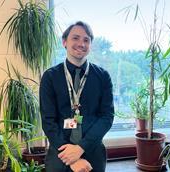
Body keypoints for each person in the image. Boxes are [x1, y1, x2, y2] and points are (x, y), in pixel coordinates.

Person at [39, 21, 114, 172]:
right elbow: (48, 121)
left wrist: (80, 148)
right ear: (64, 42)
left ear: (90, 45)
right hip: (59, 152)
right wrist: (72, 158)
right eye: (75, 38)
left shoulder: (103, 76)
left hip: (93, 151)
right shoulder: (50, 77)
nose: (81, 43)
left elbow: (107, 117)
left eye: (86, 40)